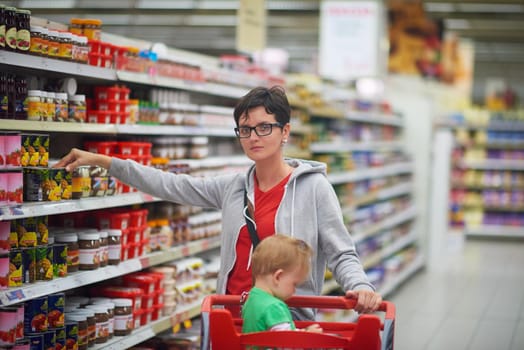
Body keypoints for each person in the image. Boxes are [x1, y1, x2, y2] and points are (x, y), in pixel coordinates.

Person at [54, 85, 382, 320]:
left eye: (264, 127)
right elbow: (170, 183)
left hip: (288, 319)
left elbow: (341, 253)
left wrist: (361, 287)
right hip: (231, 317)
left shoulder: (314, 189)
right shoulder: (232, 188)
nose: (254, 136)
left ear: (285, 132)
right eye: (245, 129)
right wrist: (103, 160)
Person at [241, 234, 322, 333]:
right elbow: (284, 341)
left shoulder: (251, 299)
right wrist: (307, 335)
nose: (294, 291)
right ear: (278, 277)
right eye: (294, 284)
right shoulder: (274, 307)